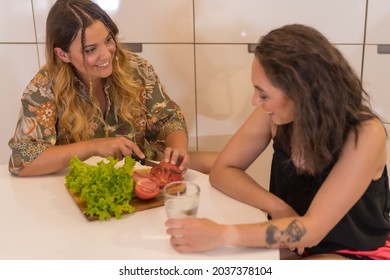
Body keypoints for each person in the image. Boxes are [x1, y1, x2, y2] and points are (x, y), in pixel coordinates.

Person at [166, 24, 390, 260]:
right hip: (291, 240)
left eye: (263, 94)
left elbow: (312, 231)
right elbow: (223, 170)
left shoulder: (365, 134)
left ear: (300, 92)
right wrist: (278, 207)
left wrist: (222, 234)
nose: (255, 101)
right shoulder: (276, 114)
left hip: (353, 251)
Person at [8, 0, 190, 177]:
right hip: (76, 192)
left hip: (139, 180)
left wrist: (177, 149)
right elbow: (22, 160)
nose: (106, 54)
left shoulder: (137, 69)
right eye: (90, 50)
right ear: (63, 54)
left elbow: (169, 119)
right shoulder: (44, 87)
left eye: (108, 40)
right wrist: (94, 147)